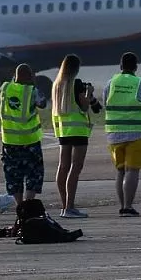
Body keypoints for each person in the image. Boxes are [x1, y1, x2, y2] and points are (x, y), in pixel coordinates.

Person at [104, 52, 141, 217]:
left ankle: (122, 206)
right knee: (132, 170)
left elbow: (106, 103)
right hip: (136, 133)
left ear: (120, 66)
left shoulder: (110, 83)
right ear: (135, 67)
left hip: (114, 134)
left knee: (120, 171)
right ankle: (128, 206)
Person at [51, 53, 102, 219]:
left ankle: (64, 205)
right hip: (78, 130)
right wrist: (90, 93)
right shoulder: (76, 83)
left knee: (63, 166)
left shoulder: (57, 84)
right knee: (76, 167)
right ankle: (70, 207)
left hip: (63, 130)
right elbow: (85, 105)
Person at [0, 64, 47, 205]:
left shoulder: (4, 88)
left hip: (9, 141)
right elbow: (43, 103)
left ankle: (19, 205)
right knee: (33, 174)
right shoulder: (32, 91)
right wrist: (34, 84)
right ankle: (28, 203)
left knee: (14, 175)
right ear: (29, 76)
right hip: (29, 141)